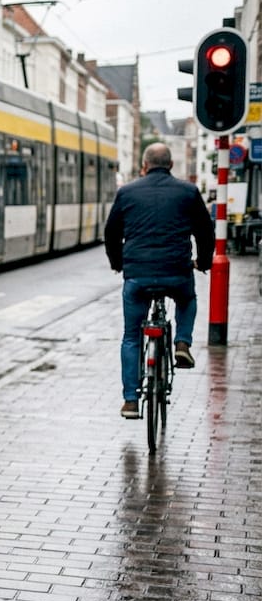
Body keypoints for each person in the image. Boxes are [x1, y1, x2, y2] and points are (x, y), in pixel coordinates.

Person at [104, 142, 213, 420]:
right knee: (187, 299)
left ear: (144, 165)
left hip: (137, 275)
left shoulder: (126, 192)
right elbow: (204, 231)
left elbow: (111, 232)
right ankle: (182, 344)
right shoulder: (188, 192)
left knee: (131, 335)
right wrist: (204, 262)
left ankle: (130, 401)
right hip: (177, 271)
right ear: (171, 165)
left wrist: (119, 264)